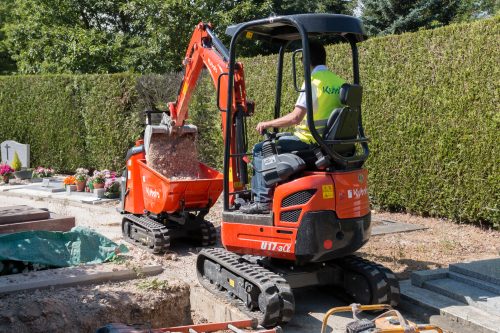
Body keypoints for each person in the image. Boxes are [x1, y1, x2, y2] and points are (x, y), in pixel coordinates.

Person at [240, 41, 346, 214]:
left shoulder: (312, 82)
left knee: (260, 149)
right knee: (280, 139)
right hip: (328, 144)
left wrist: (268, 123)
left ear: (306, 61)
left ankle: (262, 201)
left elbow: (296, 117)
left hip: (309, 142)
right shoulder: (339, 82)